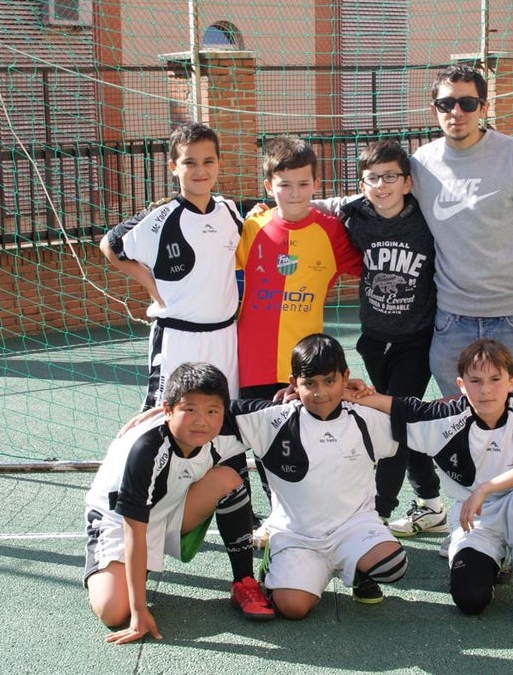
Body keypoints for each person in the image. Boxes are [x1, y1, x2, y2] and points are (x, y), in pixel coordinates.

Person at [410, 64, 513, 567]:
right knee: (459, 431)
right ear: (434, 109)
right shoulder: (421, 163)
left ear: (484, 107)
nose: (455, 112)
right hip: (453, 321)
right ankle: (469, 525)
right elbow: (378, 197)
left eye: (466, 103)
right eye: (445, 104)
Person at [353, 339, 513, 624]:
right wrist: (346, 391)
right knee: (470, 600)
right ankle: (495, 560)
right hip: (473, 519)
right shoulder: (447, 418)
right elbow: (400, 406)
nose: (486, 389)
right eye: (475, 381)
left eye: (495, 379)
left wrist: (485, 488)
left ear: (512, 381)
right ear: (461, 385)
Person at [83, 362, 274, 644]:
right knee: (113, 611)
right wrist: (138, 611)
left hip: (170, 508)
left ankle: (243, 581)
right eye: (190, 410)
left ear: (224, 410)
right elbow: (133, 530)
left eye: (212, 411)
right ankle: (120, 569)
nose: (201, 420)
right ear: (167, 409)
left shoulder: (227, 424)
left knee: (228, 478)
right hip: (119, 522)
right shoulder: (145, 449)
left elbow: (294, 409)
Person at [315, 139, 446, 537]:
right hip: (374, 339)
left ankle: (378, 515)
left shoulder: (428, 218)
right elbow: (315, 205)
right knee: (399, 421)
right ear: (362, 184)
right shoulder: (355, 214)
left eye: (390, 177)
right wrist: (262, 208)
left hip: (416, 340)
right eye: (372, 178)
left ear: (407, 182)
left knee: (393, 421)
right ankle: (432, 504)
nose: (381, 185)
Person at [226, 333, 408, 619]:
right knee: (293, 609)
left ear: (346, 377)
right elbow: (219, 411)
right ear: (293, 384)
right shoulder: (274, 418)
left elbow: (417, 420)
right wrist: (159, 417)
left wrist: (369, 397)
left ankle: (360, 571)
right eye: (309, 384)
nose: (320, 392)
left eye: (330, 381)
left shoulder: (365, 417)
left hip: (353, 526)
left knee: (393, 565)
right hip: (298, 534)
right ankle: (278, 564)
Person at [100, 122, 242, 409]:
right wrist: (151, 285)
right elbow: (110, 245)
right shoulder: (162, 215)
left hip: (225, 334)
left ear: (219, 164)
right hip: (178, 337)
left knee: (223, 412)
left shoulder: (229, 210)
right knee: (164, 414)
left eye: (207, 161)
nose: (200, 170)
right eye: (189, 162)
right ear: (173, 166)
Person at [235, 136, 362, 400]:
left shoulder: (332, 232)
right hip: (252, 365)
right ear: (269, 187)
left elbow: (369, 270)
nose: (294, 193)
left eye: (303, 184)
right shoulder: (252, 227)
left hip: (307, 368)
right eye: (285, 185)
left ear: (316, 184)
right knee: (257, 437)